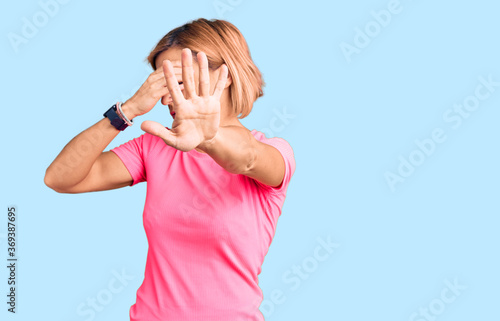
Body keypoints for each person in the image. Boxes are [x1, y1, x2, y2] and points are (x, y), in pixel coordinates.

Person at [44, 18, 295, 321]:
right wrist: (128, 110)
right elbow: (60, 178)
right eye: (162, 85)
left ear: (223, 76)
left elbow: (246, 158)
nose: (166, 99)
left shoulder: (274, 153)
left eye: (179, 81)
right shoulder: (155, 147)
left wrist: (209, 137)